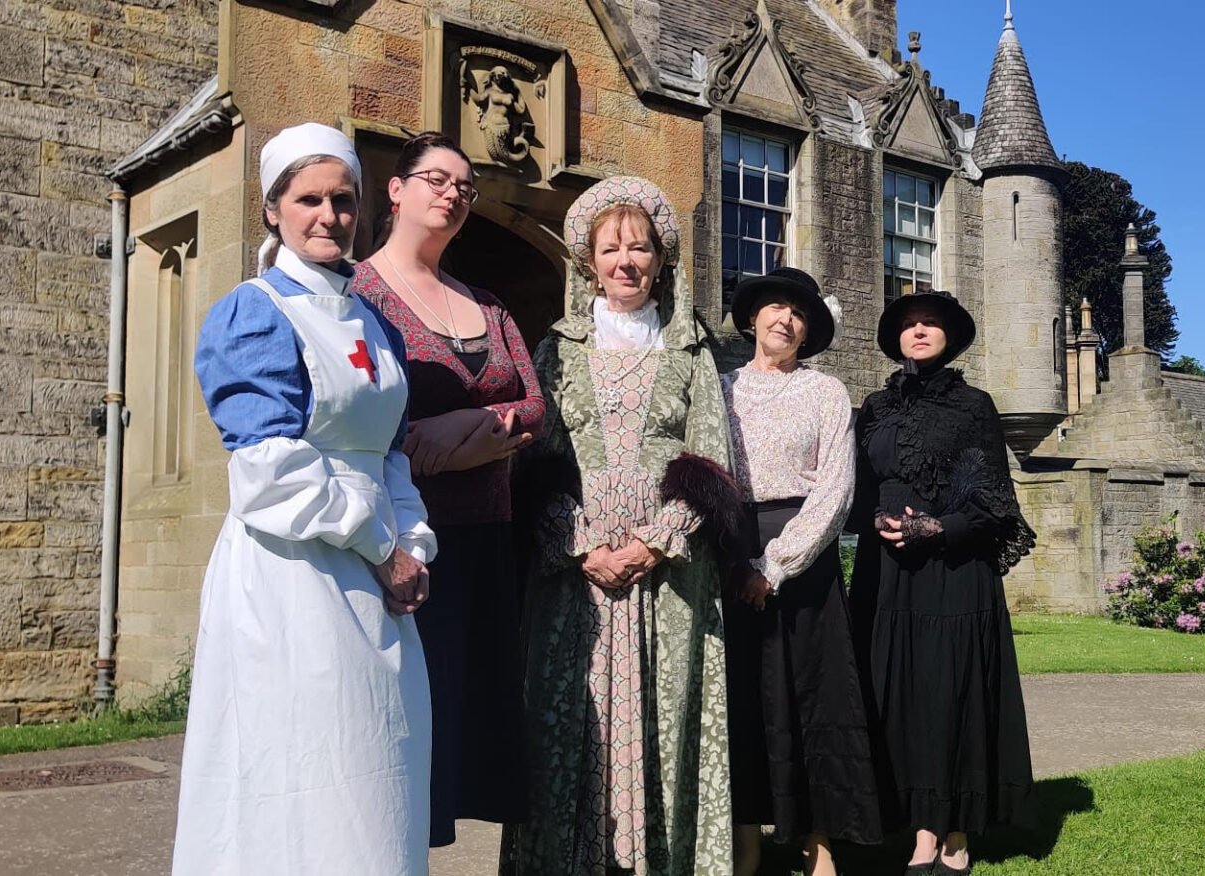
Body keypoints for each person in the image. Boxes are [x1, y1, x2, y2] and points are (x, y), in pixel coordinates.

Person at [173, 123, 436, 875]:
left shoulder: (372, 320)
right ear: (273, 209)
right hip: (294, 575)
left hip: (376, 575)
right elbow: (269, 472)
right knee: (303, 773)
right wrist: (384, 548)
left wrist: (412, 546)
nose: (329, 215)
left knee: (379, 768)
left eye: (343, 199)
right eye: (309, 199)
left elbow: (389, 451)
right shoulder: (255, 313)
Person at [502, 176, 738, 876]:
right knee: (569, 725)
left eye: (640, 248)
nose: (626, 261)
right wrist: (581, 548)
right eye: (611, 249)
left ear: (662, 260)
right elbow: (534, 467)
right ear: (588, 260)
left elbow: (710, 458)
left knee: (664, 720)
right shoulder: (557, 348)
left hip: (667, 579)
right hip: (574, 580)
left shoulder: (690, 347)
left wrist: (654, 541)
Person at [352, 131, 542, 848]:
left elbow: (534, 407)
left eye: (466, 186)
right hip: (401, 544)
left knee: (464, 728)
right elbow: (363, 417)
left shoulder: (488, 306)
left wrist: (465, 426)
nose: (454, 193)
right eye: (437, 178)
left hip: (485, 540)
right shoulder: (359, 293)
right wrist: (458, 445)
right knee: (401, 731)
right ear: (396, 190)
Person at [848, 290, 1037, 876]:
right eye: (909, 324)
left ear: (949, 337)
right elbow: (856, 486)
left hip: (953, 571)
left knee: (948, 695)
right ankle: (910, 822)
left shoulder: (973, 406)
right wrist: (877, 521)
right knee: (894, 697)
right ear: (896, 337)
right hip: (886, 576)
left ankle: (948, 833)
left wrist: (937, 528)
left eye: (931, 324)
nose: (920, 331)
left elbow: (994, 501)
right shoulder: (875, 407)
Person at [720, 268, 882, 876]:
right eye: (774, 308)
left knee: (815, 699)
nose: (784, 319)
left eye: (797, 312)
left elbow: (837, 489)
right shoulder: (720, 387)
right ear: (753, 318)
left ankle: (820, 840)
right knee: (741, 700)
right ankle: (747, 840)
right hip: (730, 553)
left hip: (803, 559)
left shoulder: (826, 392)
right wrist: (736, 563)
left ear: (808, 330)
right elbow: (706, 474)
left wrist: (776, 565)